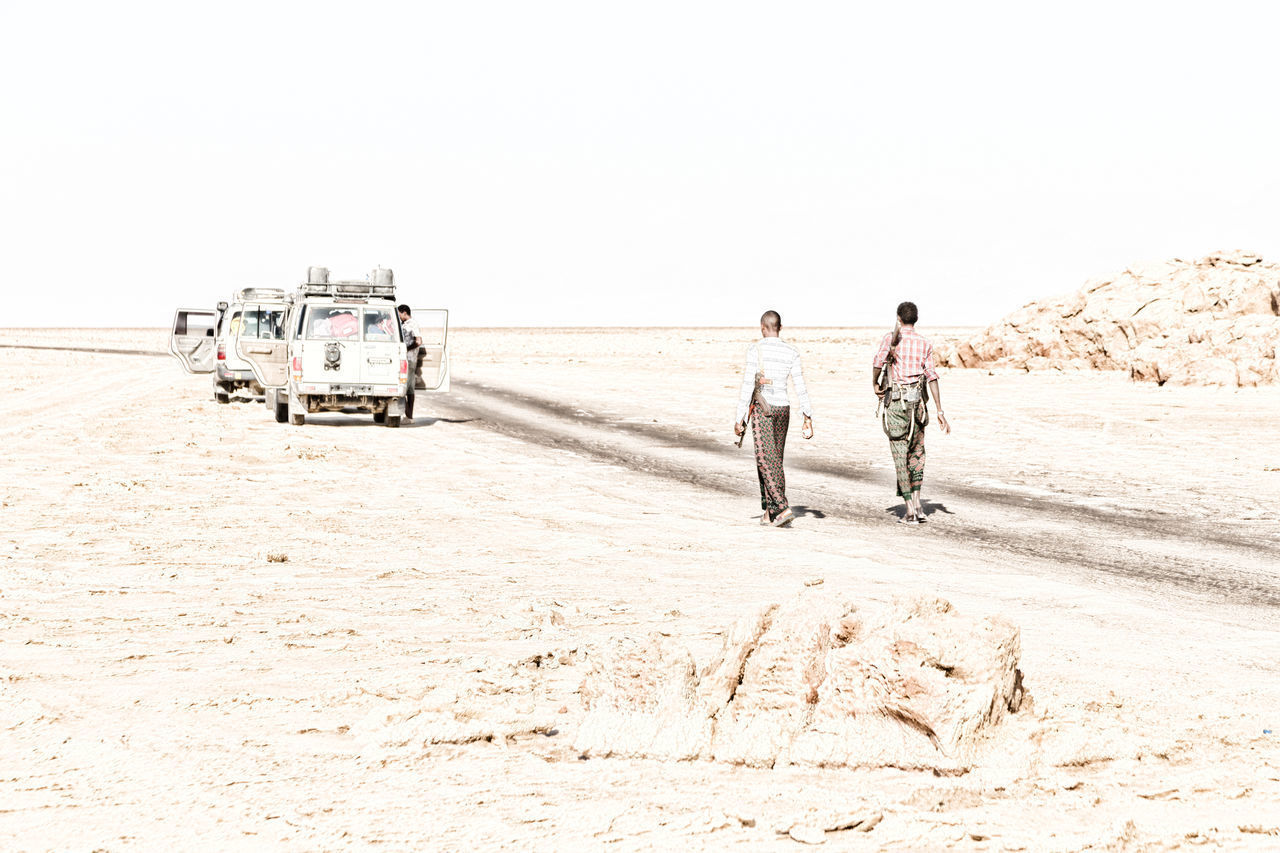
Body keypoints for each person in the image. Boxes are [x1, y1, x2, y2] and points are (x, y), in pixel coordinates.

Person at [871, 301, 951, 524]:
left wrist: (875, 383)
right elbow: (932, 376)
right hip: (919, 406)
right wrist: (940, 410)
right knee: (917, 454)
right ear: (915, 319)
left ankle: (909, 511)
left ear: (899, 317)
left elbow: (877, 362)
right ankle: (918, 503)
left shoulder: (891, 339)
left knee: (900, 454)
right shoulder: (924, 343)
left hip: (897, 402)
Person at [733, 310, 813, 527]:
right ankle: (770, 513)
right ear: (780, 327)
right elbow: (800, 384)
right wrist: (807, 415)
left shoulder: (755, 349)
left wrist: (739, 417)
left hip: (764, 409)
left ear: (762, 327)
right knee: (774, 459)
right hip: (783, 410)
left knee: (764, 458)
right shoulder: (791, 351)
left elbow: (748, 385)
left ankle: (782, 507)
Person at [398, 304, 422, 423]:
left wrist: (406, 349)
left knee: (406, 388)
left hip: (410, 359)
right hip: (405, 359)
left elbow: (418, 341)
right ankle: (407, 415)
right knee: (407, 387)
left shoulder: (412, 324)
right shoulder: (405, 324)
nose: (399, 316)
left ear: (404, 313)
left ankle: (408, 416)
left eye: (399, 314)